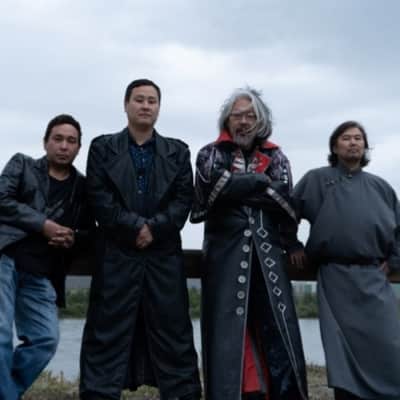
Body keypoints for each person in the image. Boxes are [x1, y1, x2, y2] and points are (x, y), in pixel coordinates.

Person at [79, 79, 201, 400]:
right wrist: (135, 227)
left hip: (163, 256)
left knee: (174, 333)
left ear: (159, 107)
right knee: (106, 332)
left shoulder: (178, 151)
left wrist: (154, 229)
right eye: (139, 99)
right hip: (116, 254)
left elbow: (183, 200)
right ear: (126, 105)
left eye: (152, 101)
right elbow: (99, 199)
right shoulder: (102, 148)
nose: (146, 106)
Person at [191, 87, 308, 400]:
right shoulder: (210, 153)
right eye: (237, 115)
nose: (243, 122)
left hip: (269, 262)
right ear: (227, 120)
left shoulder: (276, 155)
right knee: (226, 336)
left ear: (261, 120)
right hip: (223, 259)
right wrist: (259, 182)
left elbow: (285, 201)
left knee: (279, 332)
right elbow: (211, 193)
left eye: (250, 116)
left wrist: (235, 188)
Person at [292, 121, 400, 400]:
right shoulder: (316, 179)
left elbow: (399, 231)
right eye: (346, 138)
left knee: (388, 342)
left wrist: (394, 261)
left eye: (358, 138)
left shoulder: (381, 187)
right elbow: (286, 212)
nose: (353, 143)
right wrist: (292, 244)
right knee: (343, 351)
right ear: (334, 146)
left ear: (365, 146)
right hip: (335, 278)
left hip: (374, 278)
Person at [0, 114, 92, 400]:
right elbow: (2, 200)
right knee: (0, 334)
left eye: (71, 141)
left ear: (78, 148)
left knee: (45, 340)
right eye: (58, 139)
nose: (64, 146)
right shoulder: (22, 165)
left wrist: (73, 237)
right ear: (45, 142)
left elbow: (91, 232)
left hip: (42, 274)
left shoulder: (83, 187)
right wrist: (44, 225)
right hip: (6, 260)